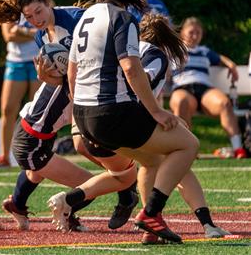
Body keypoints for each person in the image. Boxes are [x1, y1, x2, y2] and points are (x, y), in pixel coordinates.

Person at [0, 0, 139, 232]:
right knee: (90, 183)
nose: (35, 20)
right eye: (29, 17)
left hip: (39, 129)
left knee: (46, 168)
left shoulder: (76, 19)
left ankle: (18, 203)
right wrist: (52, 78)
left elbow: (93, 54)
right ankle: (79, 207)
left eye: (38, 12)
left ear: (48, 2)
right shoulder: (42, 37)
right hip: (34, 137)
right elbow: (65, 79)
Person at [54, 13, 230, 243]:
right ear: (167, 38)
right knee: (185, 149)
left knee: (144, 166)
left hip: (91, 122)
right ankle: (170, 218)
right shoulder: (154, 54)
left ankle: (149, 226)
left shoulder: (121, 47)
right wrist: (159, 115)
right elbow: (138, 85)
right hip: (118, 119)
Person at [64, 0, 199, 243]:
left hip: (85, 116)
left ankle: (149, 231)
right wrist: (156, 111)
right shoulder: (123, 18)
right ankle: (151, 213)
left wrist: (77, 117)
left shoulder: (84, 18)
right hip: (111, 113)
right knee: (189, 144)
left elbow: (71, 72)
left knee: (151, 160)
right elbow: (132, 69)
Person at [0, 0, 43, 168]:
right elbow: (8, 35)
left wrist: (23, 32)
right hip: (16, 62)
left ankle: (37, 154)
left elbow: (46, 31)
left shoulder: (44, 1)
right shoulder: (11, 5)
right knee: (8, 109)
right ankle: (3, 156)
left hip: (38, 62)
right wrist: (30, 33)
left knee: (37, 111)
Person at [169, 17, 247, 159]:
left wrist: (231, 65)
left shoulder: (205, 51)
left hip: (204, 89)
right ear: (182, 33)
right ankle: (187, 149)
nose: (194, 36)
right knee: (181, 103)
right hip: (183, 88)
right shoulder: (174, 49)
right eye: (191, 32)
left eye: (198, 33)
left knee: (224, 103)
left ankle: (238, 149)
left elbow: (220, 58)